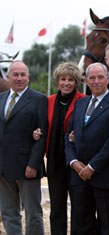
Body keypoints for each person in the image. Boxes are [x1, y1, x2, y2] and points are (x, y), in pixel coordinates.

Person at [65, 62, 109, 235]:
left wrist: (92, 167)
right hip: (79, 177)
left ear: (107, 79)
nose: (96, 81)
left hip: (104, 176)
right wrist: (74, 162)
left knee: (107, 225)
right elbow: (69, 137)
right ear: (86, 80)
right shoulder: (80, 104)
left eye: (100, 77)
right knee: (80, 224)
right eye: (92, 77)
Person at [33, 62, 86, 235]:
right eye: (63, 79)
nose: (66, 83)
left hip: (76, 162)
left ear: (76, 82)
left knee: (79, 208)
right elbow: (40, 124)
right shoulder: (47, 101)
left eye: (71, 79)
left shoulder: (83, 101)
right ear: (57, 81)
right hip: (54, 162)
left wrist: (78, 135)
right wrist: (36, 132)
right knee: (56, 209)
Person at [0, 61, 48, 235]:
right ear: (8, 77)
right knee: (8, 211)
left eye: (22, 75)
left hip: (28, 167)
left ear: (28, 77)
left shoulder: (39, 99)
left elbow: (42, 136)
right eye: (15, 75)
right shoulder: (1, 98)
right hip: (3, 167)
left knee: (33, 213)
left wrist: (34, 164)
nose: (19, 78)